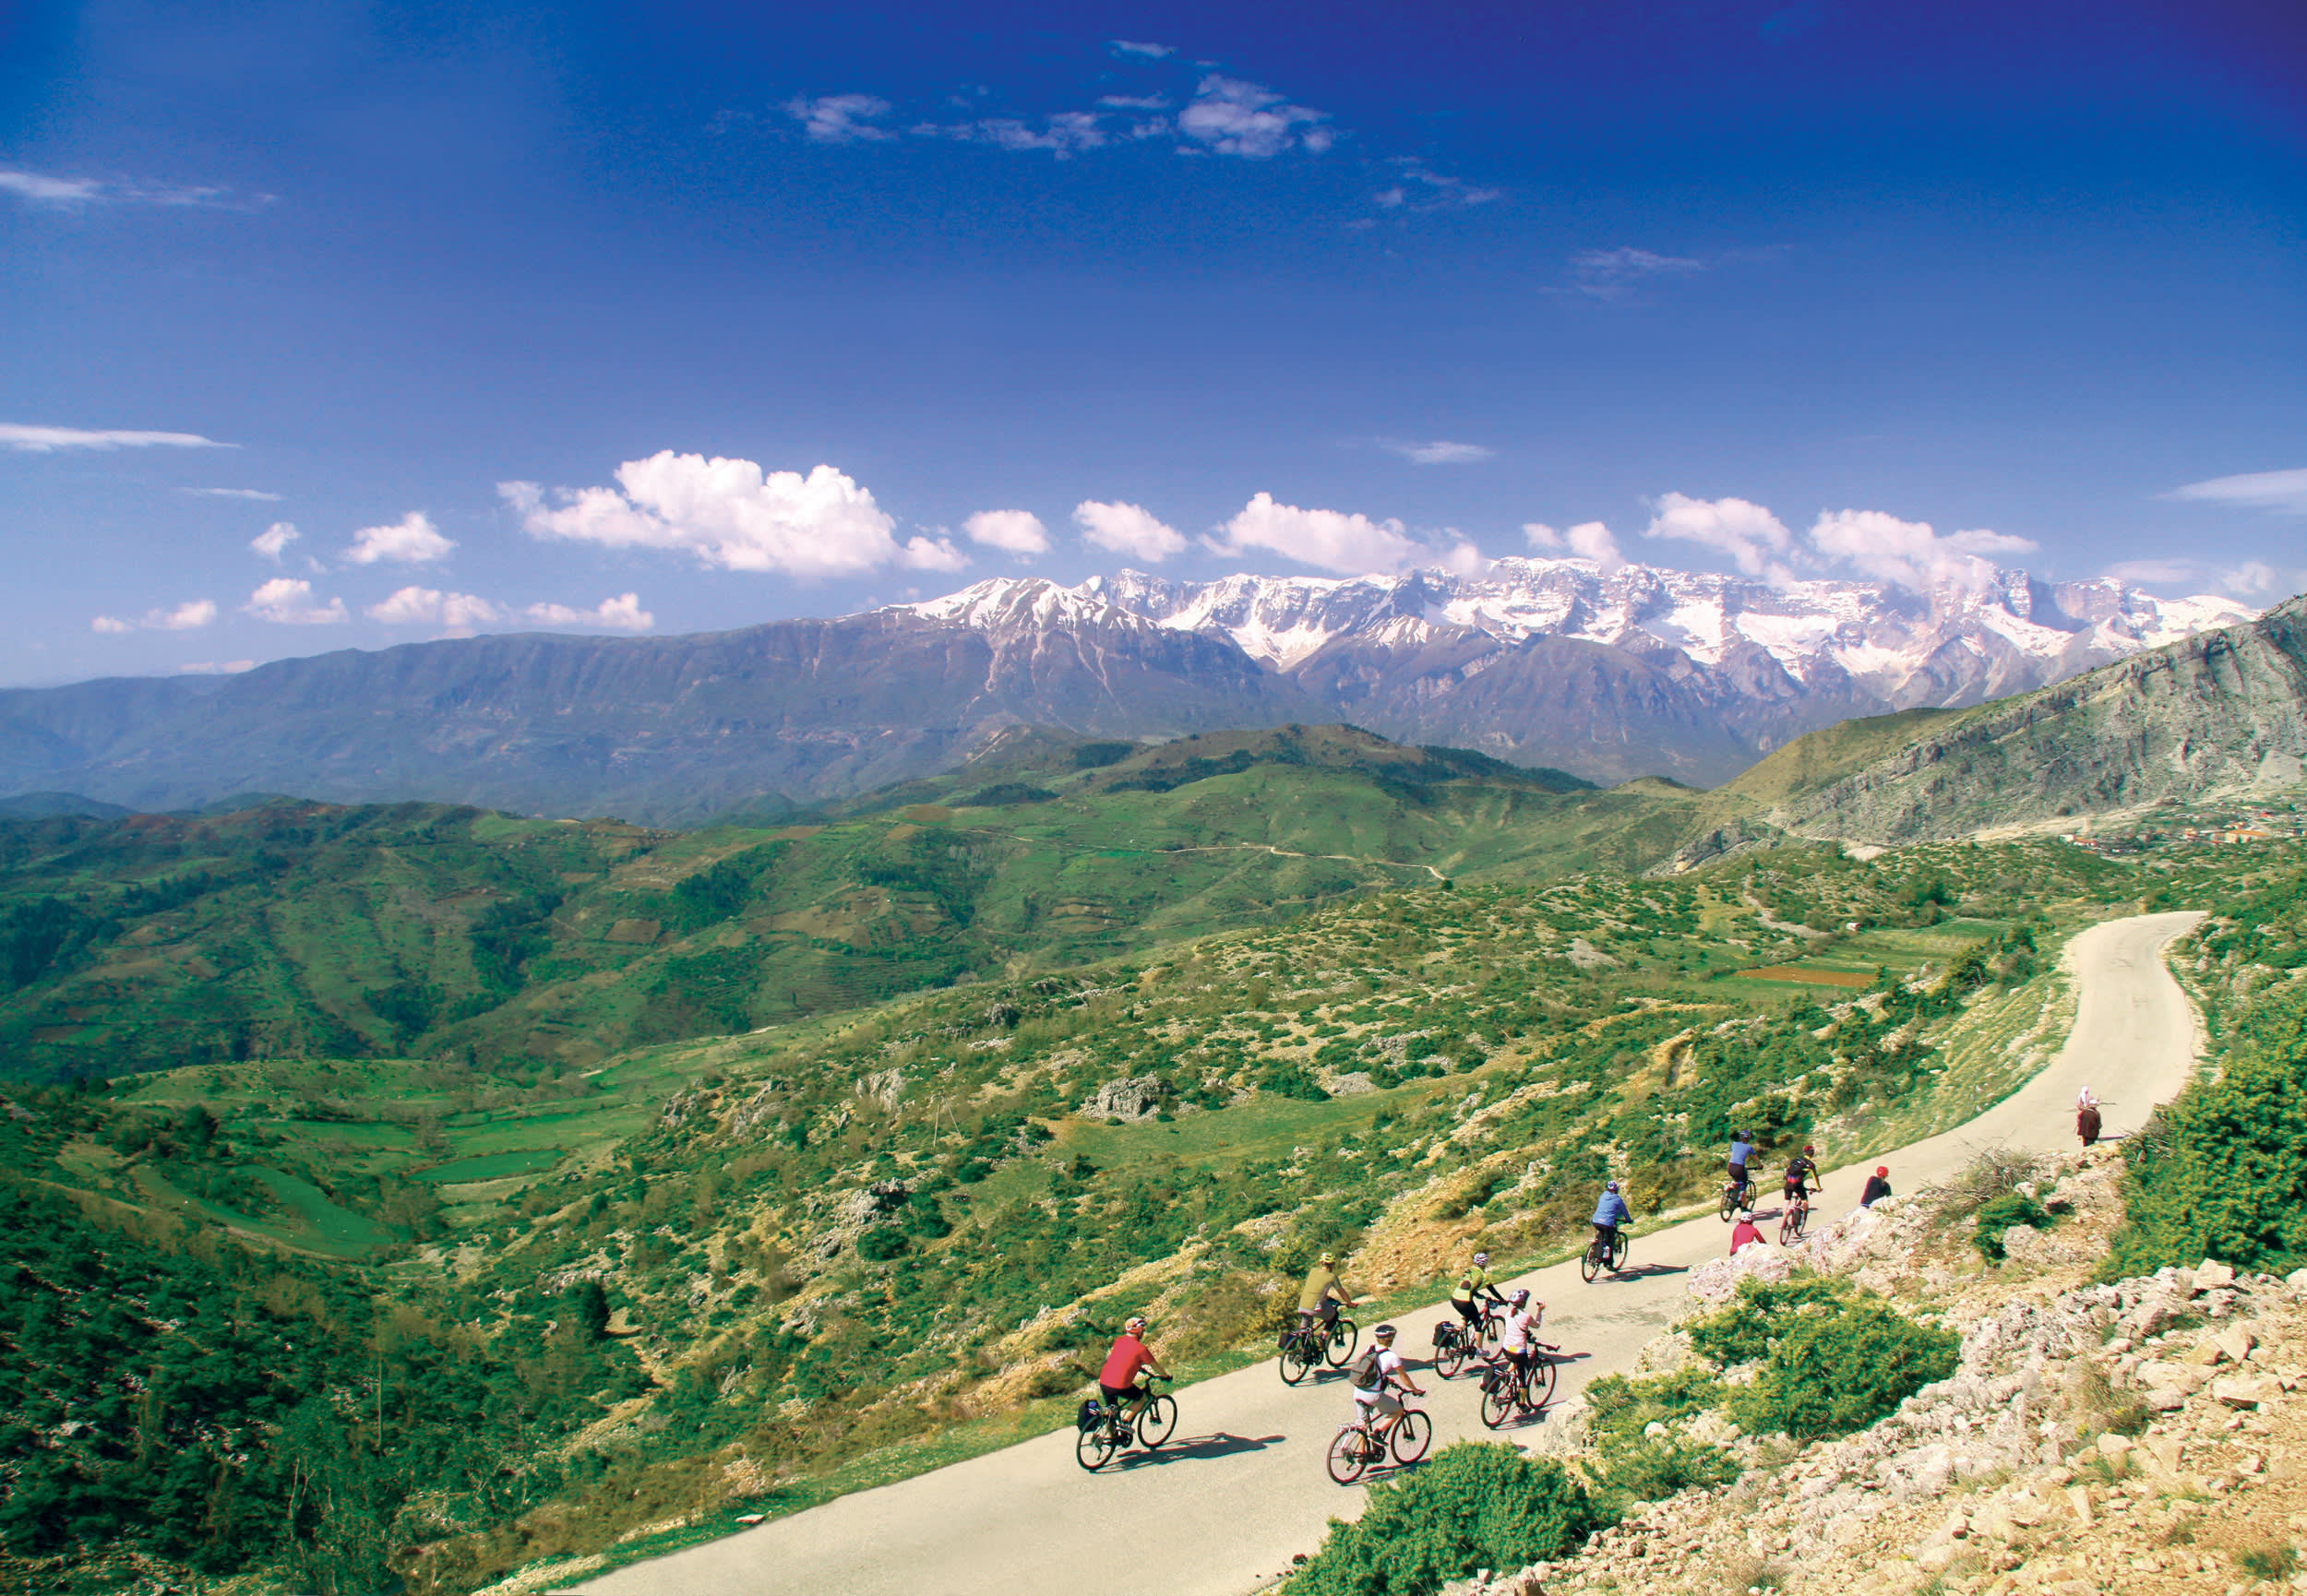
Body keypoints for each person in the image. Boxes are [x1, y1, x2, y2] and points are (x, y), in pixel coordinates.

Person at [1347, 1323, 1426, 1447]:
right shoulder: (1392, 1356)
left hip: (1358, 1391)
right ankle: (1377, 1433)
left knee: (1363, 1425)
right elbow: (1403, 1376)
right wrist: (1415, 1390)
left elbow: (1368, 1369)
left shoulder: (1369, 1348)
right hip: (1372, 1395)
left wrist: (1385, 1379)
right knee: (1398, 1410)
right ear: (1391, 1339)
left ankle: (1360, 1457)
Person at [1096, 1316, 1169, 1429]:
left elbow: (1122, 1357)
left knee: (1111, 1412)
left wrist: (1136, 1366)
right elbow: (1155, 1366)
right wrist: (1165, 1376)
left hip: (1104, 1382)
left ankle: (1111, 1439)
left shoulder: (1119, 1341)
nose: (1143, 1333)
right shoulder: (1141, 1349)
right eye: (1142, 1331)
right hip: (1119, 1385)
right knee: (1142, 1398)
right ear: (1138, 1331)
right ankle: (1125, 1422)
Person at [1298, 1250, 1357, 1334]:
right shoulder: (1332, 1277)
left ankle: (1302, 1341)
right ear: (1332, 1264)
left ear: (1321, 1263)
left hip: (1302, 1305)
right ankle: (1323, 1338)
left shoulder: (1313, 1271)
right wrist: (1350, 1303)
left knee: (1305, 1328)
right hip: (1314, 1308)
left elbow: (1318, 1291)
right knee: (1334, 1316)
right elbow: (1342, 1293)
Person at [1495, 1287, 1543, 1384]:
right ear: (1523, 1303)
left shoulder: (1508, 1314)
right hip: (1519, 1352)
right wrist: (1540, 1310)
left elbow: (1516, 1330)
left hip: (1506, 1348)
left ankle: (1507, 1374)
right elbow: (1537, 1324)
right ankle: (1521, 1398)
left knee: (1514, 1359)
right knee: (1523, 1381)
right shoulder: (1526, 1317)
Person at [1450, 1250, 1504, 1335]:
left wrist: (1477, 1294)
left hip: (1454, 1298)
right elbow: (1492, 1290)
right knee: (1478, 1324)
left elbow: (1467, 1286)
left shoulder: (1469, 1270)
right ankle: (1479, 1348)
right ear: (1484, 1263)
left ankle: (1456, 1334)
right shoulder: (1483, 1275)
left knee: (1467, 1316)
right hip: (1465, 1301)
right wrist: (1502, 1300)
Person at [1591, 1180, 1631, 1255]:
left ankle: (1595, 1251)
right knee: (1610, 1242)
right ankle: (1609, 1264)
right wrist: (1628, 1219)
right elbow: (1624, 1211)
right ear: (1616, 1190)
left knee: (1601, 1235)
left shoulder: (1602, 1195)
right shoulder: (1617, 1199)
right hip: (1606, 1223)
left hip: (1595, 1220)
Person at [1783, 1145, 1819, 1209]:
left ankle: (1785, 1216)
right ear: (1812, 1153)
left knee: (1787, 1201)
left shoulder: (1796, 1159)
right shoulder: (1810, 1164)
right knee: (1805, 1202)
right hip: (1797, 1184)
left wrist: (1785, 1178)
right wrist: (1818, 1188)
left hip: (1788, 1182)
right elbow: (1815, 1177)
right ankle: (1803, 1218)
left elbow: (1787, 1169)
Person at [1727, 1129, 1755, 1202]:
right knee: (1743, 1183)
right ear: (1748, 1138)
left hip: (1730, 1167)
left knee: (1736, 1180)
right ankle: (1743, 1204)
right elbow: (1756, 1159)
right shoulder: (1749, 1147)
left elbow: (1734, 1155)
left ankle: (1729, 1189)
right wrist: (1759, 1166)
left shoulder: (1734, 1144)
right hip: (1739, 1168)